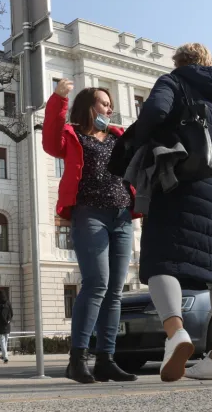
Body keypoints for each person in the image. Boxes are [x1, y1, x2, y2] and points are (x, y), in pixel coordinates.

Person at [122, 43, 212, 382]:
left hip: (174, 182)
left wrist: (142, 144)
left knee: (160, 260)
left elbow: (154, 114)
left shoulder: (172, 82)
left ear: (179, 61)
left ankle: (176, 333)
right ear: (208, 62)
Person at [42, 78, 139, 384]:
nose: (108, 109)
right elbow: (49, 141)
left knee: (114, 290)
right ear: (88, 107)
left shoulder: (118, 137)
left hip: (122, 216)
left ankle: (107, 360)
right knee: (96, 283)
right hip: (89, 214)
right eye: (103, 104)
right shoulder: (71, 136)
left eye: (110, 105)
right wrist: (58, 100)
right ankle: (77, 358)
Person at [0, 290, 13, 364]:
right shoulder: (8, 303)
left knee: (2, 342)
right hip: (7, 325)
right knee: (6, 341)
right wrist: (8, 321)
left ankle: (5, 356)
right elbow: (11, 313)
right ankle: (5, 355)